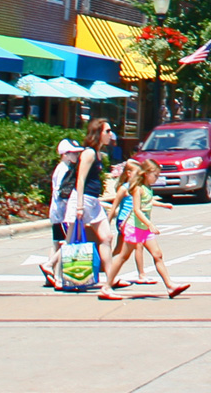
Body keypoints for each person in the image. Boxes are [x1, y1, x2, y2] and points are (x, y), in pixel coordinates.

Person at [98, 159, 189, 300]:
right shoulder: (137, 188)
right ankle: (107, 286)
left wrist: (164, 205)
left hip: (143, 228)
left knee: (157, 254)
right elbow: (137, 210)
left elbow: (148, 201)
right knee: (123, 256)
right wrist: (150, 224)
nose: (157, 178)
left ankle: (170, 286)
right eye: (155, 175)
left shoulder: (147, 189)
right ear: (146, 174)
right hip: (134, 227)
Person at [65, 118, 117, 292]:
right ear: (98, 133)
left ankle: (110, 279)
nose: (110, 135)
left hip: (93, 201)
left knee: (107, 237)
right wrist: (79, 206)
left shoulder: (98, 153)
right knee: (70, 240)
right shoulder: (89, 153)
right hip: (83, 200)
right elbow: (80, 179)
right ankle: (54, 270)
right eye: (107, 131)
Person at [40, 138, 84, 287]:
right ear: (65, 154)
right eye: (73, 153)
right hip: (63, 213)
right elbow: (63, 192)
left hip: (56, 213)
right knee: (65, 243)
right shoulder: (65, 170)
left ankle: (50, 277)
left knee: (56, 245)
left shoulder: (60, 168)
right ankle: (57, 277)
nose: (76, 157)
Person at [105, 159, 157, 286]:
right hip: (125, 221)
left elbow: (147, 203)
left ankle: (104, 262)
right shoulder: (125, 188)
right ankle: (141, 274)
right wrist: (107, 223)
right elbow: (114, 207)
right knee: (137, 245)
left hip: (134, 220)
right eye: (137, 172)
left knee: (120, 250)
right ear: (128, 173)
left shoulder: (139, 188)